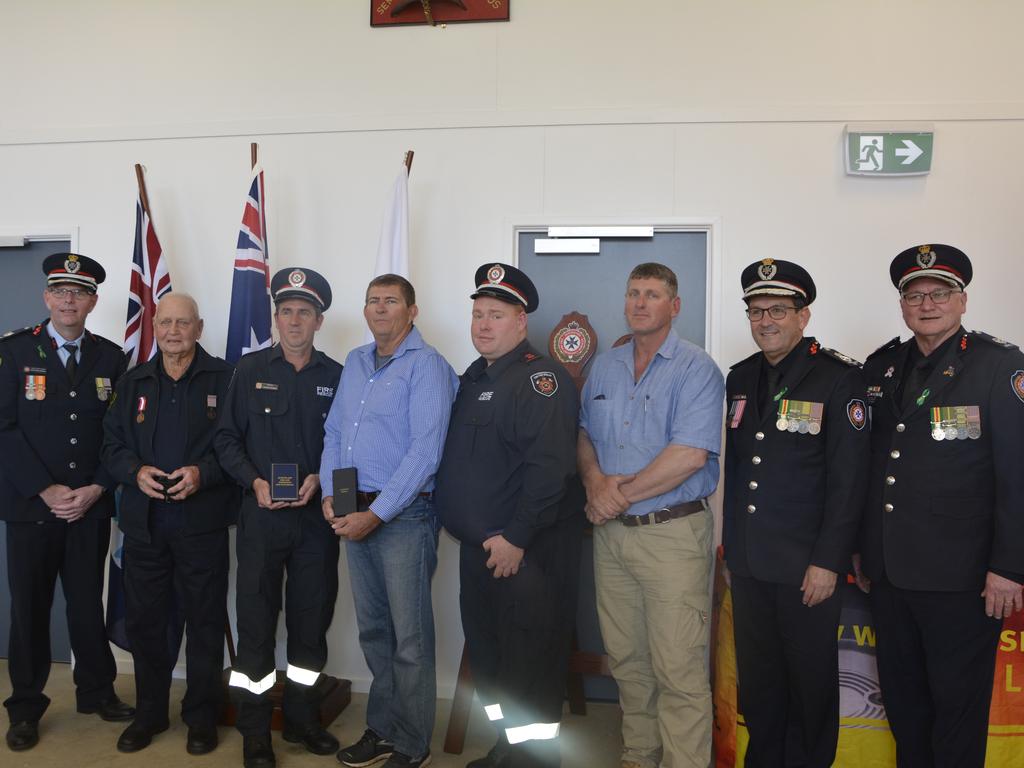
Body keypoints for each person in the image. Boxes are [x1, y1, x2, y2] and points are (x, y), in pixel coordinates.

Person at [855, 244, 1024, 768]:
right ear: (902, 304)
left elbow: (1017, 473)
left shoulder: (1000, 366)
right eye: (915, 295)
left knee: (957, 710)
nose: (927, 304)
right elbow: (871, 465)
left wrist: (1008, 567)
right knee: (905, 708)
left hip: (964, 577)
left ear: (963, 300)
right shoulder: (882, 366)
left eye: (940, 293)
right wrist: (863, 549)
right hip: (889, 573)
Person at [722, 259, 868, 767]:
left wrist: (829, 560)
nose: (766, 321)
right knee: (760, 685)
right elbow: (742, 473)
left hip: (808, 568)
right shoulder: (740, 377)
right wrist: (733, 553)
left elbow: (849, 482)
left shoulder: (839, 378)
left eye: (778, 310)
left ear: (802, 316)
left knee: (809, 686)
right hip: (751, 564)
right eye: (756, 310)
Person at [578, 262, 724, 768]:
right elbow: (584, 436)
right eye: (633, 292)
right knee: (628, 662)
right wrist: (596, 482)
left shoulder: (697, 368)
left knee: (678, 667)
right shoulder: (604, 364)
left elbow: (690, 455)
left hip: (672, 537)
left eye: (653, 294)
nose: (640, 303)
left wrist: (617, 495)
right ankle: (640, 756)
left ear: (674, 306)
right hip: (612, 538)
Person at [435, 263, 581, 768]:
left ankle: (535, 761)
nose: (483, 324)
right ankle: (506, 750)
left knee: (527, 667)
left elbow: (550, 469)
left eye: (495, 315)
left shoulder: (541, 380)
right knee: (493, 664)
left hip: (525, 556)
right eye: (477, 314)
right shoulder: (474, 377)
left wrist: (516, 538)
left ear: (521, 322)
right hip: (479, 552)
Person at [320, 274, 457, 768]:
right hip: (353, 512)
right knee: (375, 632)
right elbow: (335, 431)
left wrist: (376, 514)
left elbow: (426, 452)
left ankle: (412, 743)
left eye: (391, 302)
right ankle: (381, 729)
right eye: (373, 301)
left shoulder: (428, 368)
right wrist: (333, 500)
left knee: (409, 638)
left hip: (404, 517)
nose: (380, 309)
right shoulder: (356, 362)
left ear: (412, 311)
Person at [0, 253, 134, 752]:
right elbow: (4, 429)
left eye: (79, 292)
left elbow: (118, 435)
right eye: (60, 291)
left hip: (89, 507)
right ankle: (26, 708)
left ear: (93, 300)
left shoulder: (110, 357)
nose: (68, 299)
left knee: (85, 604)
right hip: (32, 509)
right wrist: (45, 488)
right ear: (46, 298)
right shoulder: (13, 353)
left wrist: (98, 487)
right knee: (30, 610)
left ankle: (96, 693)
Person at [215, 268, 343, 768]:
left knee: (312, 623)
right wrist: (255, 481)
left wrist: (320, 479)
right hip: (262, 518)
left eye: (304, 312)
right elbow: (225, 440)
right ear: (275, 318)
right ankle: (255, 733)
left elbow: (348, 446)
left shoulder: (337, 376)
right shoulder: (247, 371)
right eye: (286, 311)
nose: (294, 320)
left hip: (315, 523)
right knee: (256, 622)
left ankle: (303, 719)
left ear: (319, 321)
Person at [101, 293, 237, 754]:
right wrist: (134, 471)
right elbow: (111, 445)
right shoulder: (134, 378)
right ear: (155, 328)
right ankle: (150, 714)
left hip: (202, 525)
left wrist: (204, 474)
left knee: (204, 624)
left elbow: (237, 448)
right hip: (145, 527)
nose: (174, 331)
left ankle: (201, 717)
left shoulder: (226, 377)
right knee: (148, 626)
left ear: (199, 328)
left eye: (184, 323)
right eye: (166, 323)